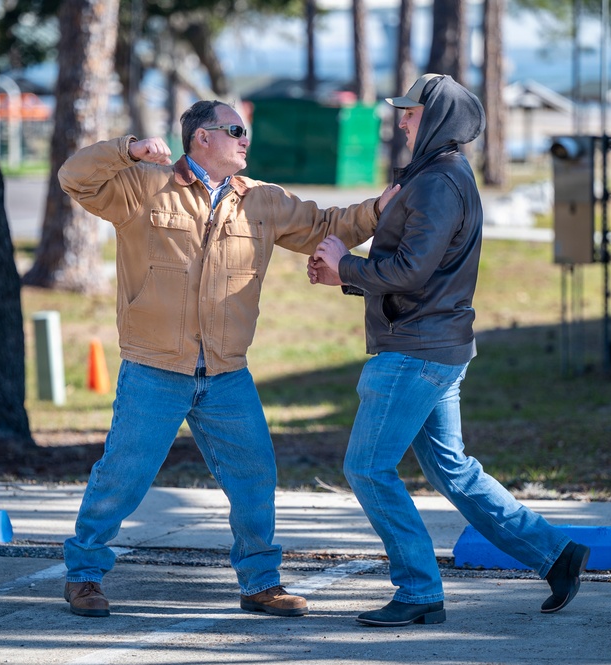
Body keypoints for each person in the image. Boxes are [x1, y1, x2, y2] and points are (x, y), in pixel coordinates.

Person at [58, 99, 396, 618]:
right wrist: (127, 150)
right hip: (155, 366)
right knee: (122, 477)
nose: (246, 139)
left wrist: (380, 209)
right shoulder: (145, 185)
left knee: (255, 477)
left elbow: (328, 225)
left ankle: (261, 583)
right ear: (202, 138)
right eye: (236, 129)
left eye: (247, 130)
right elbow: (74, 179)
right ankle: (83, 576)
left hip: (225, 372)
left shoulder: (261, 199)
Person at [308, 73, 591, 627]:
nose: (402, 120)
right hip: (433, 345)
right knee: (453, 473)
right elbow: (417, 267)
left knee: (366, 468)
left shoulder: (438, 183)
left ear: (437, 119)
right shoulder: (436, 175)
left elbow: (411, 271)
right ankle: (556, 555)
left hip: (415, 351)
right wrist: (345, 273)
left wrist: (345, 264)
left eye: (411, 112)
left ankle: (418, 591)